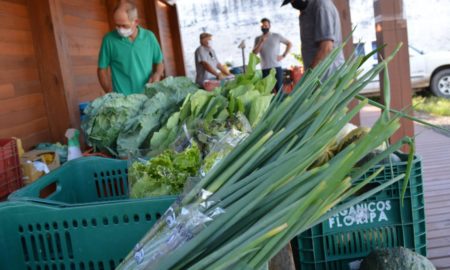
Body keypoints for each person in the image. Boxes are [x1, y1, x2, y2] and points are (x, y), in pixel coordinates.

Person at [97, 1, 164, 95]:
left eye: (124, 25)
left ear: (136, 22)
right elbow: (101, 70)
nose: (120, 29)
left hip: (147, 96)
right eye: (117, 25)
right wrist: (109, 91)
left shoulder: (149, 37)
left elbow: (159, 63)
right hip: (122, 100)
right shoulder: (109, 40)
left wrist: (157, 75)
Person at [282, 0, 345, 79]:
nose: (293, 3)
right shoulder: (305, 12)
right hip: (316, 76)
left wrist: (308, 76)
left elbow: (326, 47)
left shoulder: (321, 6)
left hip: (328, 77)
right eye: (291, 2)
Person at [252, 18, 292, 92]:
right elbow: (254, 53)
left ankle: (281, 103)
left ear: (269, 26)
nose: (264, 27)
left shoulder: (276, 36)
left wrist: (283, 55)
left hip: (276, 67)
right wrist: (261, 42)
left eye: (266, 25)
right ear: (260, 27)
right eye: (262, 26)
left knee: (279, 90)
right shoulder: (257, 39)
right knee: (267, 92)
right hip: (265, 69)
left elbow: (289, 44)